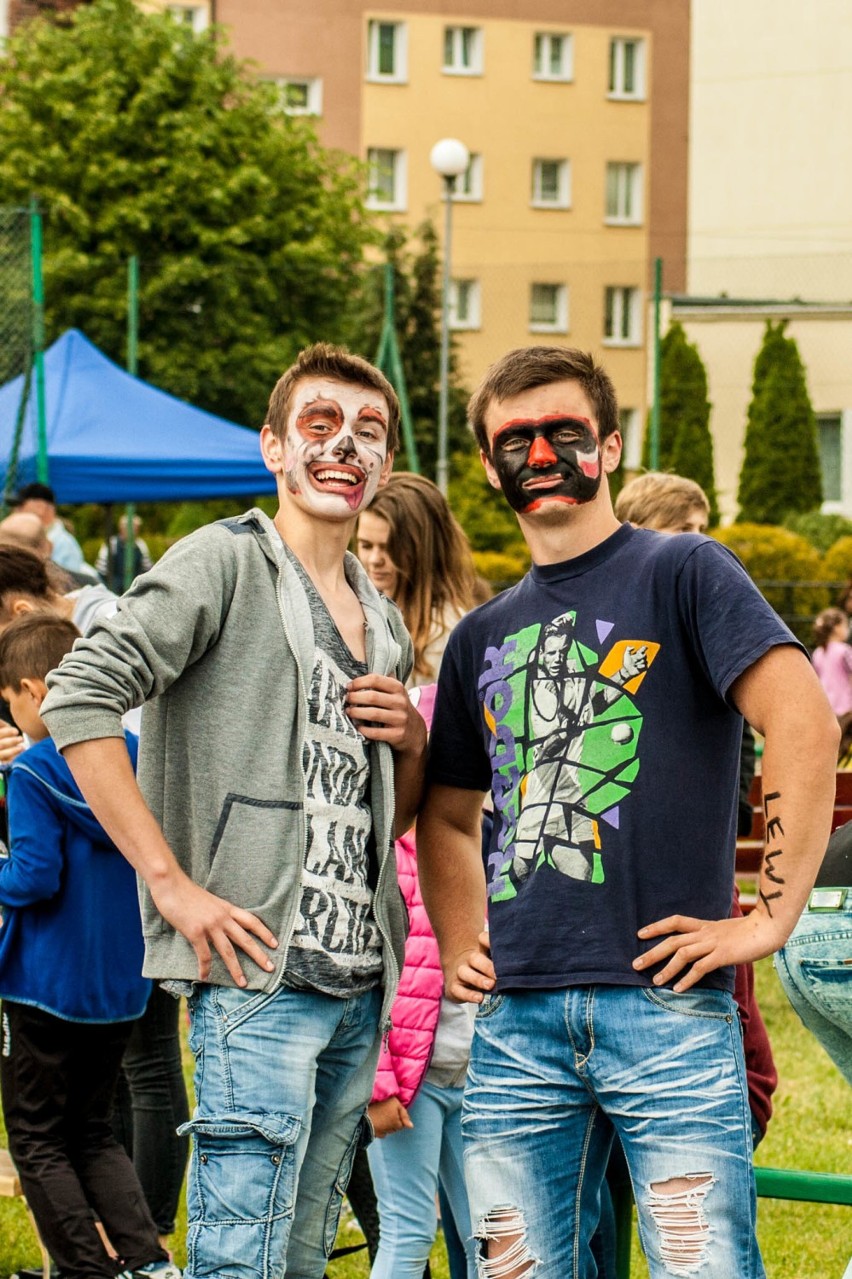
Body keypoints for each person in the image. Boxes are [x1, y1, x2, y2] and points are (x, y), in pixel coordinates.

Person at [417, 345, 839, 1279]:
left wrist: (770, 917)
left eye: (564, 431)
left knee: (704, 1267)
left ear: (608, 445)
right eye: (514, 438)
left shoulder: (684, 570)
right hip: (514, 1020)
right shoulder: (481, 634)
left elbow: (802, 724)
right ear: (488, 465)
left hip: (666, 1005)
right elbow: (447, 815)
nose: (540, 452)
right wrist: (457, 939)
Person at [39, 343, 427, 1278]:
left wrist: (410, 739)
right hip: (256, 978)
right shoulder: (223, 561)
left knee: (299, 1258)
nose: (345, 446)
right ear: (274, 447)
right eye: (321, 424)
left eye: (369, 431)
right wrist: (171, 885)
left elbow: (389, 819)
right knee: (236, 1259)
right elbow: (78, 695)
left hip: (358, 982)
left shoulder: (384, 617)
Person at [0, 543, 190, 1248]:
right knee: (93, 1128)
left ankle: (84, 1267)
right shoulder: (134, 758)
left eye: (9, 698)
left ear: (34, 691)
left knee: (39, 1138)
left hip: (45, 982)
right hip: (120, 980)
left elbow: (33, 876)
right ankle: (146, 1256)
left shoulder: (34, 772)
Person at [366, 684, 477, 1279]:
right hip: (413, 1084)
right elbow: (374, 973)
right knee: (410, 1230)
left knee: (489, 1230)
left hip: (478, 1073)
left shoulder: (487, 846)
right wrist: (378, 1086)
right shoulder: (396, 858)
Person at [356, 472, 477, 685]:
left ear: (423, 549)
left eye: (389, 548)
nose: (375, 560)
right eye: (366, 545)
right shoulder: (359, 611)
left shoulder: (449, 634)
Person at [11, 481, 88, 574]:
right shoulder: (42, 537)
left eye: (20, 505)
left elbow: (65, 583)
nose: (15, 511)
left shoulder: (64, 544)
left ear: (41, 507)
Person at [811, 607, 852, 760]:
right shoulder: (844, 651)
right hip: (847, 708)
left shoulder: (818, 653)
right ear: (836, 628)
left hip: (828, 708)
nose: (847, 630)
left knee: (833, 749)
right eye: (845, 625)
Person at [96, 514, 153, 594]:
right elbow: (101, 572)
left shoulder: (140, 544)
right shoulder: (111, 544)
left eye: (136, 528)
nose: (135, 531)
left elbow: (148, 569)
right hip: (113, 591)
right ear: (122, 528)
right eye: (132, 527)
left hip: (134, 591)